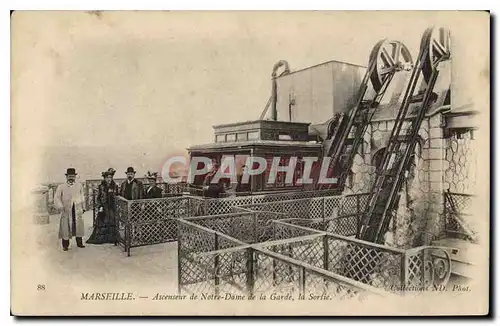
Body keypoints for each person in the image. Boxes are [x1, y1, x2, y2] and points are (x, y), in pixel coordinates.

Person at [54, 168, 86, 251]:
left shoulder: (79, 186)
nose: (71, 178)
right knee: (66, 227)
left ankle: (79, 243)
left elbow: (82, 197)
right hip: (66, 209)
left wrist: (83, 207)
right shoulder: (61, 187)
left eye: (72, 176)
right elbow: (57, 197)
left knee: (78, 226)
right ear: (66, 177)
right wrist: (60, 206)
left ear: (75, 177)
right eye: (69, 176)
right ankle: (65, 245)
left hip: (77, 208)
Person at [86, 168, 119, 244]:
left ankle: (111, 238)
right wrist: (100, 206)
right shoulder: (101, 186)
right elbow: (98, 197)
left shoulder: (115, 186)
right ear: (104, 178)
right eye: (107, 178)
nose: (109, 179)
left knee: (112, 221)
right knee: (102, 221)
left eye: (110, 177)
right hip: (104, 206)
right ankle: (102, 239)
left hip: (112, 206)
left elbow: (117, 196)